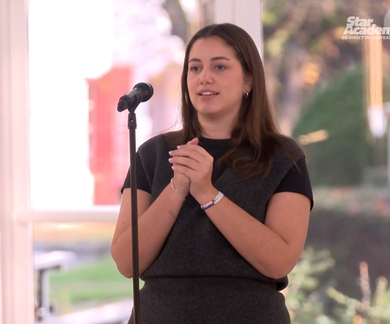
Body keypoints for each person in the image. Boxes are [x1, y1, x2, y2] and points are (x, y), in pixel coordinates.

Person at [110, 23, 313, 324]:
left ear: (248, 80)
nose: (204, 77)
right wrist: (177, 188)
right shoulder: (152, 154)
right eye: (194, 68)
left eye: (219, 66)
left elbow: (279, 261)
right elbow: (127, 261)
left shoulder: (282, 157)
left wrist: (208, 194)